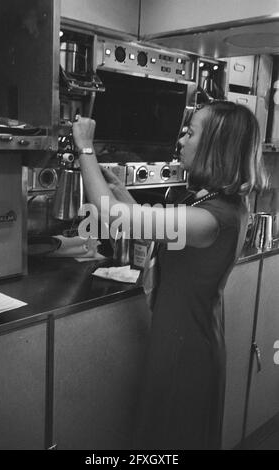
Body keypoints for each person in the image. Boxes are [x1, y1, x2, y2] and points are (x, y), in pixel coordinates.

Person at [72, 101, 267, 450]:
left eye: (190, 133)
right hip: (182, 338)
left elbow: (114, 218)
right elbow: (156, 230)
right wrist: (121, 192)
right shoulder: (215, 206)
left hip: (185, 351)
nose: (181, 140)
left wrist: (85, 146)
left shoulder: (213, 217)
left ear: (215, 146)